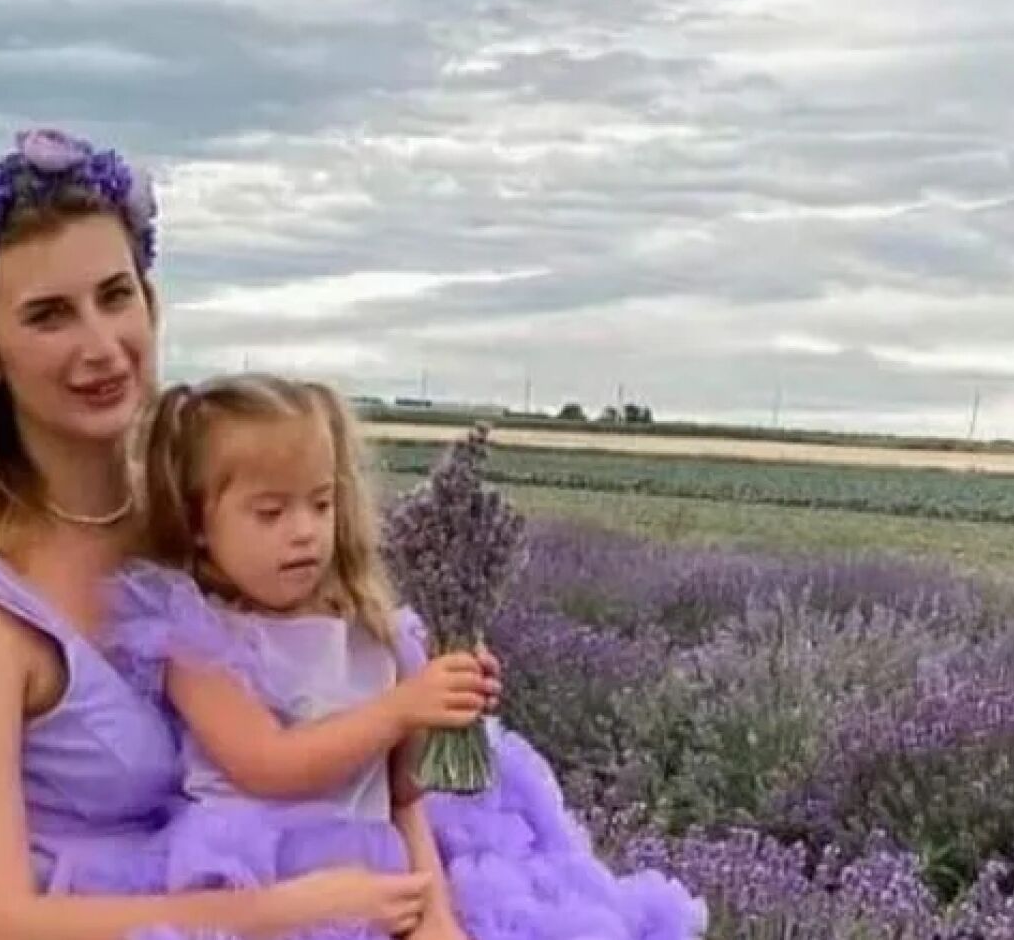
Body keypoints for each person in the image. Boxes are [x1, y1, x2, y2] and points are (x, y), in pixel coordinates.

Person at [0, 128, 501, 940]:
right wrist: (281, 910)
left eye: (116, 295)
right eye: (49, 315)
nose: (102, 347)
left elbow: (369, 765)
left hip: (315, 879)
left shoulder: (215, 528)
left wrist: (433, 909)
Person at [110, 373, 710, 940]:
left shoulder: (370, 633)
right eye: (271, 512)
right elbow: (269, 765)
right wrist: (400, 708)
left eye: (321, 504)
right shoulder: (198, 641)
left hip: (383, 880)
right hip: (267, 887)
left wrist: (444, 711)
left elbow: (401, 794)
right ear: (197, 522)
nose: (304, 531)